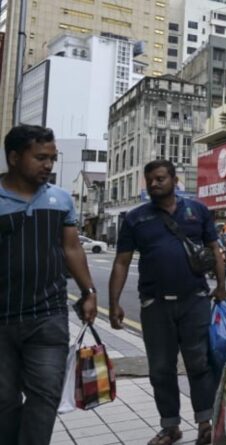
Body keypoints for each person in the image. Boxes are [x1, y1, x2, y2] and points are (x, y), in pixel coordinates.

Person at [108, 160, 226, 445]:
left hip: (194, 300)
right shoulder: (136, 218)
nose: (154, 184)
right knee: (161, 369)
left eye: (160, 178)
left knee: (199, 364)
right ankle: (170, 427)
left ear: (175, 180)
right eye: (149, 180)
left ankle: (205, 424)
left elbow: (214, 249)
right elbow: (122, 262)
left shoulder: (197, 211)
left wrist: (221, 286)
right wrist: (114, 303)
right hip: (154, 304)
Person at [0, 125, 98, 445]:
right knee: (5, 400)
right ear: (14, 157)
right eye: (40, 157)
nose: (48, 165)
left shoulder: (60, 199)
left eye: (52, 159)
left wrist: (89, 292)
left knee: (45, 395)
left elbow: (72, 249)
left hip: (48, 315)